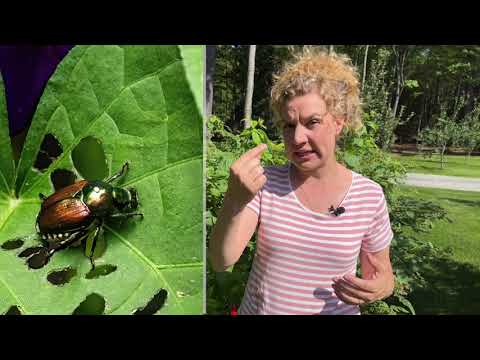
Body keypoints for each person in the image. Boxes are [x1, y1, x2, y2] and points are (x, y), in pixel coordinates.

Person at [208, 49, 395, 315]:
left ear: (339, 122)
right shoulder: (266, 183)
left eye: (312, 122)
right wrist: (235, 199)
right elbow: (220, 260)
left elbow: (382, 273)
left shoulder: (369, 195)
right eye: (289, 125)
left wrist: (382, 286)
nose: (297, 138)